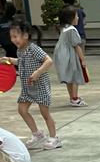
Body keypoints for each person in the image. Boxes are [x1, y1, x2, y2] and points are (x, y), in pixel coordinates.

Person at [7, 20, 60, 150]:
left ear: (25, 35)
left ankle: (54, 138)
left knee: (45, 113)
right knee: (22, 110)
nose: (13, 40)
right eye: (11, 37)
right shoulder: (20, 50)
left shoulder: (34, 49)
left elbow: (48, 61)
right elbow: (21, 61)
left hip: (40, 86)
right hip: (27, 87)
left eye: (15, 36)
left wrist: (37, 72)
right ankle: (37, 134)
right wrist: (9, 60)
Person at [53, 6, 87, 107]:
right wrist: (83, 59)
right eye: (76, 16)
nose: (78, 18)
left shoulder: (64, 28)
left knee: (68, 78)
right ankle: (75, 98)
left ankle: (72, 97)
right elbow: (77, 46)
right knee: (75, 76)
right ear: (70, 18)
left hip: (61, 55)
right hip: (69, 55)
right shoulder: (72, 29)